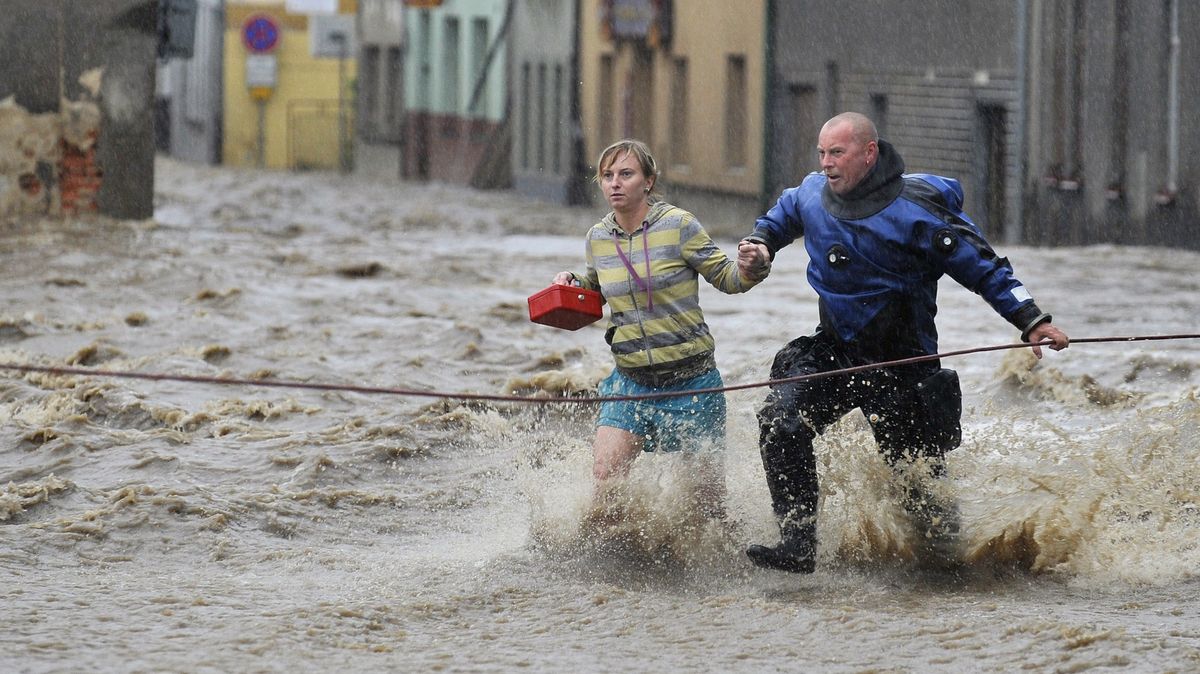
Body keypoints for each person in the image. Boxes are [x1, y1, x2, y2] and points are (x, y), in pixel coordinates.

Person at [736, 112, 1069, 573]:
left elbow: (985, 267)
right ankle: (797, 543)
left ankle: (952, 564)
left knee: (921, 495)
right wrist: (761, 244)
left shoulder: (919, 210)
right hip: (837, 352)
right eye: (822, 153)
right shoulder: (811, 193)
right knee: (780, 422)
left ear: (869, 154)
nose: (827, 163)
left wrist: (1031, 320)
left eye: (838, 153)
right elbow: (779, 218)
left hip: (905, 365)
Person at [553, 139, 767, 519]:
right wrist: (571, 286)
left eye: (626, 174)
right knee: (605, 481)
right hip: (630, 382)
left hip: (692, 381)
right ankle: (603, 570)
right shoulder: (597, 238)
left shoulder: (680, 225)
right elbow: (595, 290)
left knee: (705, 507)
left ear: (648, 182)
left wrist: (753, 266)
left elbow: (729, 278)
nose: (615, 183)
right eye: (607, 176)